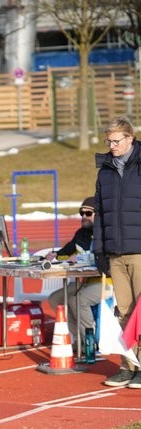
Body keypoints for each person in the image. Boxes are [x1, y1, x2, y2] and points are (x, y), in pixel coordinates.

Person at [93, 116, 141, 389]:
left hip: (139, 252)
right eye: (108, 141)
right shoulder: (106, 172)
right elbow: (100, 214)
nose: (111, 145)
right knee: (124, 311)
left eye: (116, 140)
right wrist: (99, 249)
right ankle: (128, 366)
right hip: (115, 252)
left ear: (129, 139)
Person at [46, 196, 107, 344]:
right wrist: (54, 256)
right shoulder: (80, 234)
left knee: (78, 300)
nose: (84, 217)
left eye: (88, 213)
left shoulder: (106, 234)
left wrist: (80, 259)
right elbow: (66, 251)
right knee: (55, 299)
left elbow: (107, 259)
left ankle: (91, 343)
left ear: (98, 215)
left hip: (106, 281)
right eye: (82, 213)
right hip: (85, 281)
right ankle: (78, 339)